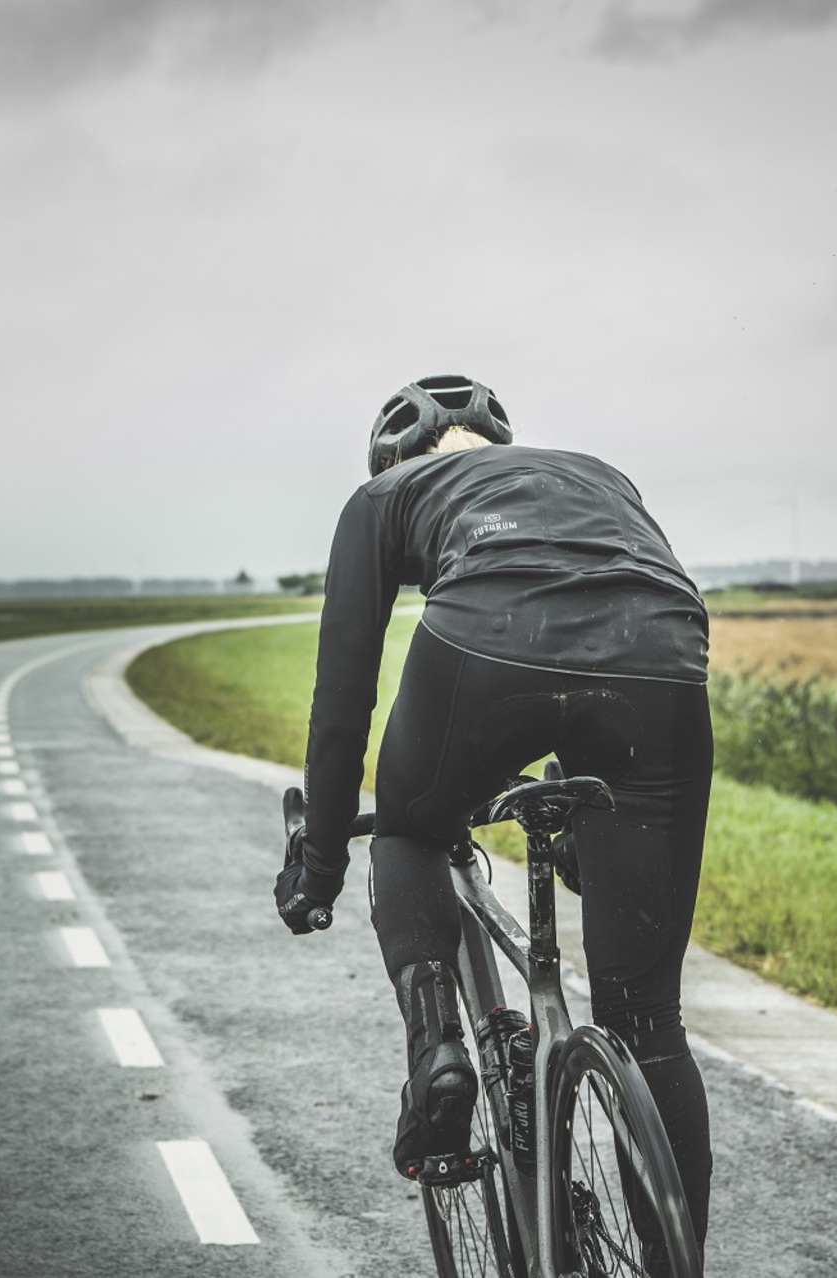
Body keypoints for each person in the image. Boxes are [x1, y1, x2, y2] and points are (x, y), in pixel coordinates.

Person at [275, 373, 715, 1246]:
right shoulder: (598, 473)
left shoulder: (384, 496)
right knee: (648, 1019)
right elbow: (605, 601)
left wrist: (319, 864)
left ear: (393, 456)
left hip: (486, 643)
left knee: (408, 829)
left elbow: (342, 700)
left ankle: (437, 1049)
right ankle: (674, 1259)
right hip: (665, 654)